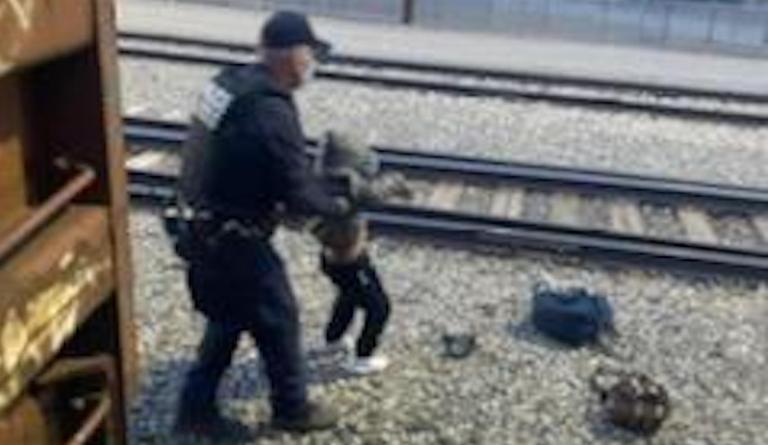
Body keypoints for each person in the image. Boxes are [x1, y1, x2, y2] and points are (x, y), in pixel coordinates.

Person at [171, 11, 349, 440]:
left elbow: (226, 153)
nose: (312, 65)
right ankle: (292, 408)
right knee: (278, 315)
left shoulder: (230, 82)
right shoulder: (271, 109)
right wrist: (339, 206)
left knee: (230, 316)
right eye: (310, 54)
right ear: (290, 55)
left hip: (201, 226)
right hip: (234, 237)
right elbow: (297, 191)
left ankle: (194, 409)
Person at [311, 131, 394, 374]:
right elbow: (375, 194)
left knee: (348, 297)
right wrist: (395, 183)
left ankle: (333, 339)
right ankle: (363, 356)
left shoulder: (321, 186)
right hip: (352, 262)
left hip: (332, 260)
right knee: (379, 307)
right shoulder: (347, 192)